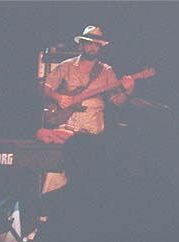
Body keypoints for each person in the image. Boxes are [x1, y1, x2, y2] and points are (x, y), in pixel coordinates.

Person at [41, 25, 135, 194]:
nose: (93, 47)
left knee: (88, 179)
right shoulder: (66, 66)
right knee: (55, 173)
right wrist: (58, 97)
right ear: (82, 44)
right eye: (90, 43)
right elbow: (44, 87)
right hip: (66, 127)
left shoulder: (106, 71)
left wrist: (128, 91)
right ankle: (46, 213)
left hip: (92, 133)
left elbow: (117, 101)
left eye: (97, 45)